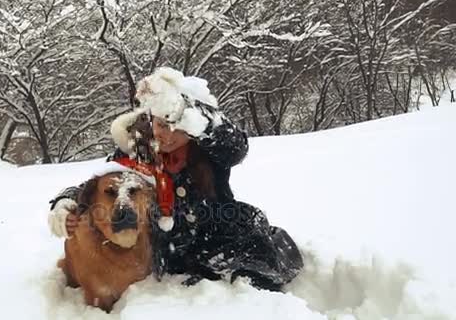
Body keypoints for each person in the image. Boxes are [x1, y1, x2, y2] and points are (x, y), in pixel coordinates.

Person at [48, 67, 303, 291]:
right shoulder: (137, 149)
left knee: (258, 243)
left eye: (178, 127)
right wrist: (66, 200)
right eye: (160, 125)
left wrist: (204, 120)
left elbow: (236, 148)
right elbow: (102, 186)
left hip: (215, 229)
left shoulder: (208, 146)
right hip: (166, 245)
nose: (167, 135)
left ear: (192, 126)